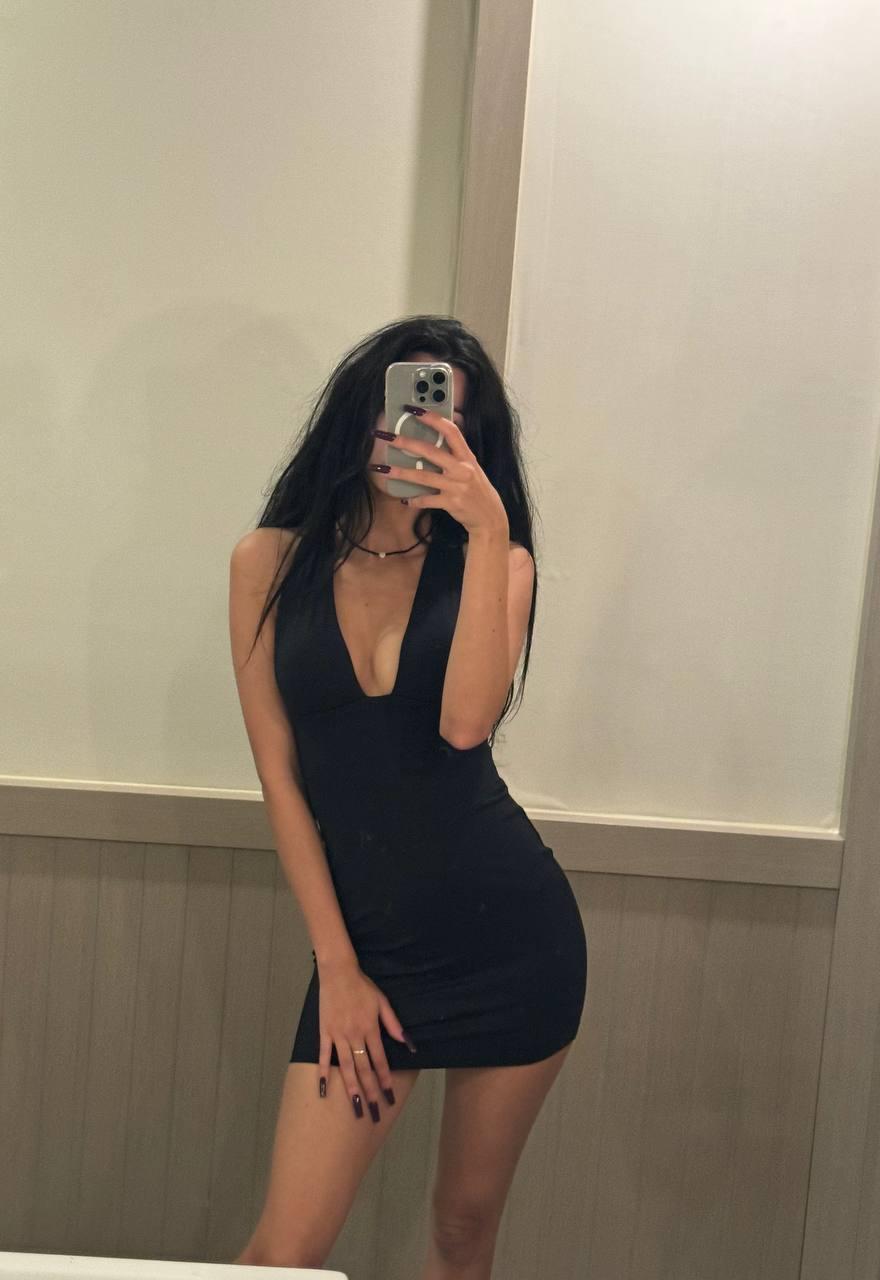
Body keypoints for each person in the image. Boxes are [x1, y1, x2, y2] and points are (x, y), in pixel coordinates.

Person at [228, 316, 587, 1278]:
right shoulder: (268, 563)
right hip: (370, 952)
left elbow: (466, 724)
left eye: (447, 424)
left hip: (512, 942)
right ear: (361, 417)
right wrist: (339, 968)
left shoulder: (498, 565)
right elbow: (280, 776)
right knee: (283, 1253)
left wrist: (490, 529)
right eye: (405, 414)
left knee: (463, 1233)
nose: (418, 437)